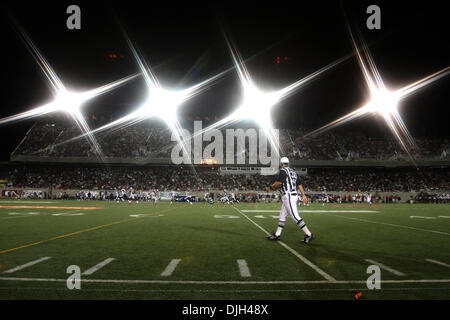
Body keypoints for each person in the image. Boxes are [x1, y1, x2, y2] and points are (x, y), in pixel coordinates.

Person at [266, 157, 314, 244]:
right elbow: (299, 184)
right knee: (282, 216)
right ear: (288, 163)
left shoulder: (283, 171)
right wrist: (303, 195)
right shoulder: (293, 171)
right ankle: (277, 235)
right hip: (290, 196)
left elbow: (279, 183)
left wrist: (270, 187)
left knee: (295, 217)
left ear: (281, 163)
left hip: (289, 196)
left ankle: (309, 234)